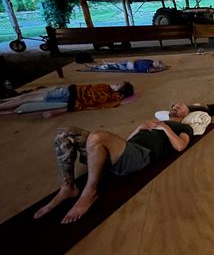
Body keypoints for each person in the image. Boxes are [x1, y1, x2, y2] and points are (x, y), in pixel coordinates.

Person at [33, 102, 199, 224]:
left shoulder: (184, 128)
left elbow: (180, 146)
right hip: (128, 150)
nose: (175, 107)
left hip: (141, 156)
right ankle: (68, 187)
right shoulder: (152, 123)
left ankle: (90, 192)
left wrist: (164, 128)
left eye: (180, 106)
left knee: (98, 136)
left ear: (187, 113)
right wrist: (139, 129)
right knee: (65, 133)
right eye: (173, 105)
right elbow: (126, 142)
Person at [0, 82, 134, 114]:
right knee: (26, 97)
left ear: (120, 92)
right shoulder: (109, 95)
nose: (114, 83)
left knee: (26, 98)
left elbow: (90, 101)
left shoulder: (106, 91)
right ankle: (5, 102)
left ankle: (4, 104)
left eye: (117, 84)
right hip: (68, 93)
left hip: (68, 94)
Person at [85, 59, 167, 73]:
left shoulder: (150, 68)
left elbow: (154, 71)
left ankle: (94, 67)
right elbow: (139, 59)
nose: (156, 62)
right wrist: (133, 61)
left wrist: (162, 68)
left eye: (157, 63)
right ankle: (107, 62)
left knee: (112, 66)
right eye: (157, 62)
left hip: (129, 67)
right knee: (116, 63)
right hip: (130, 63)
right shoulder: (150, 61)